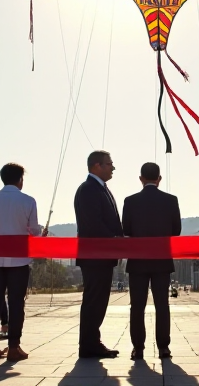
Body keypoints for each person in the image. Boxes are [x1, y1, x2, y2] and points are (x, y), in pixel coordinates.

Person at [0, 163, 44, 361]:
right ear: (20, 179)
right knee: (16, 304)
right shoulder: (28, 201)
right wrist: (40, 234)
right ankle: (14, 346)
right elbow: (33, 230)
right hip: (19, 260)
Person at [122, 162, 182, 360]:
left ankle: (138, 348)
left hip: (137, 261)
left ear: (141, 179)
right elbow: (176, 231)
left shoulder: (130, 201)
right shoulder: (171, 200)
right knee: (162, 305)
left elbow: (126, 231)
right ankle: (164, 347)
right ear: (159, 179)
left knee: (137, 306)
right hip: (162, 260)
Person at [73, 151, 124, 359]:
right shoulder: (88, 190)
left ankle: (92, 342)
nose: (113, 168)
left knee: (99, 300)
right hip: (95, 256)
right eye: (109, 164)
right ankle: (89, 345)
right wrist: (115, 239)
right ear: (96, 166)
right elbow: (93, 224)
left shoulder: (100, 188)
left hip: (102, 255)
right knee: (94, 300)